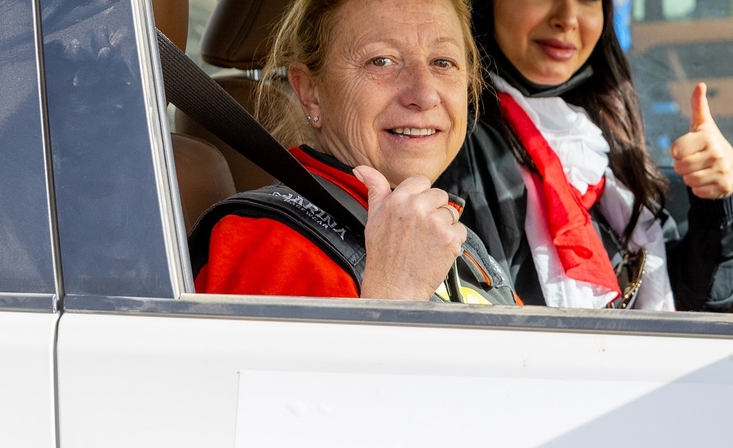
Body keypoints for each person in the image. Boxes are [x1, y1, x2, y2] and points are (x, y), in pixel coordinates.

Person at [439, 0, 733, 311]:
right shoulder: (455, 143)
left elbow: (676, 304)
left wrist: (722, 200)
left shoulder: (597, 136)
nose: (567, 18)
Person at [190, 0, 514, 302]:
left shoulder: (456, 241)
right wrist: (396, 293)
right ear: (310, 93)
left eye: (443, 62)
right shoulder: (267, 243)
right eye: (381, 61)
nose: (425, 94)